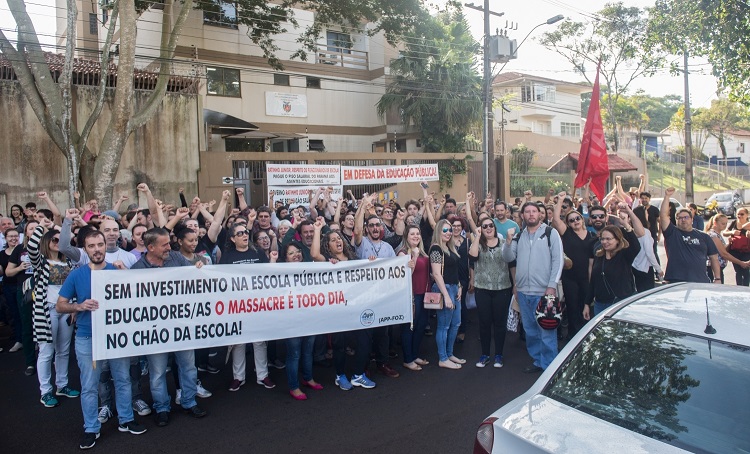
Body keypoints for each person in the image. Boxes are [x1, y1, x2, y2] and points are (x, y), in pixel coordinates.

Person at [55, 230, 146, 449]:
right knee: (89, 385)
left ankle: (126, 419)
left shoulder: (117, 271)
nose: (97, 249)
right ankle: (91, 428)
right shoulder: (77, 274)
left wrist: (126, 277)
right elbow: (60, 304)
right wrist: (78, 306)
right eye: (92, 246)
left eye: (100, 244)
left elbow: (138, 297)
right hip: (87, 336)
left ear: (106, 246)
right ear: (85, 249)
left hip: (115, 335)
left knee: (122, 379)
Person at [131, 228, 208, 426]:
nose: (169, 247)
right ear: (150, 247)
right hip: (155, 329)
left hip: (181, 325)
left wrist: (198, 266)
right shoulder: (138, 269)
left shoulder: (176, 258)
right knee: (157, 372)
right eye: (164, 244)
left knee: (188, 367)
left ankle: (189, 401)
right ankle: (162, 407)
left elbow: (193, 275)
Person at [502, 202, 564, 373]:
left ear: (540, 215)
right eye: (527, 212)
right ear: (522, 215)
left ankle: (549, 366)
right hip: (523, 292)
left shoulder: (551, 233)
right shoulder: (518, 235)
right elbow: (508, 258)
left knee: (547, 330)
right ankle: (538, 361)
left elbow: (558, 261)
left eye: (534, 212)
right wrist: (507, 241)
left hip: (544, 292)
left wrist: (551, 286)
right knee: (530, 331)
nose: (530, 214)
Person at [219, 221, 277, 392]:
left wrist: (272, 261)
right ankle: (238, 377)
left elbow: (268, 276)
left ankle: (263, 375)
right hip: (237, 306)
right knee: (238, 342)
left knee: (260, 341)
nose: (244, 235)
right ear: (232, 238)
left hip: (257, 305)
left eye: (245, 232)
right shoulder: (228, 257)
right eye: (239, 233)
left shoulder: (258, 253)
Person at [28, 221, 80, 408]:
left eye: (60, 239)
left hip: (65, 310)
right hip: (46, 309)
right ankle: (46, 391)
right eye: (55, 239)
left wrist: (74, 306)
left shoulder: (68, 262)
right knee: (46, 351)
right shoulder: (40, 262)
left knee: (64, 350)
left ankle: (62, 385)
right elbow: (32, 246)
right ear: (47, 241)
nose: (58, 242)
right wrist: (41, 226)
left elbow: (73, 286)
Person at [352, 198, 399, 378]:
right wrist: (363, 206)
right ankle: (363, 366)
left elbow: (397, 269)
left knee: (383, 333)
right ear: (367, 228)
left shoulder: (387, 247)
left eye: (377, 225)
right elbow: (356, 230)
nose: (374, 228)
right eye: (371, 225)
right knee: (365, 333)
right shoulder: (361, 242)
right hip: (364, 295)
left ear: (381, 228)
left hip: (383, 295)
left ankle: (383, 363)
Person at [468, 215, 513, 368]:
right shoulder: (478, 244)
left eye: (490, 226)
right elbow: (472, 257)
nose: (488, 228)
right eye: (484, 226)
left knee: (500, 323)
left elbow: (511, 262)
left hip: (502, 288)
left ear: (495, 228)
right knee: (484, 323)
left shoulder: (503, 243)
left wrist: (516, 285)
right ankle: (485, 354)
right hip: (483, 289)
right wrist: (477, 237)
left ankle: (499, 354)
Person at [550, 193, 596, 340]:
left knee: (586, 306)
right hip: (570, 278)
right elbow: (556, 219)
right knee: (572, 307)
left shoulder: (591, 236)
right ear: (568, 223)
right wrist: (561, 201)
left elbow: (592, 261)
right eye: (571, 220)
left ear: (582, 220)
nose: (575, 221)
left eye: (577, 218)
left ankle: (586, 336)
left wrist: (591, 280)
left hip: (586, 278)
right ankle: (573, 337)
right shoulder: (567, 233)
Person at [659, 188, 720, 283]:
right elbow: (663, 216)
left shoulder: (704, 236)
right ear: (676, 220)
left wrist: (717, 278)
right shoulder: (672, 233)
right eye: (680, 218)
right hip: (676, 282)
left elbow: (714, 258)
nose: (683, 220)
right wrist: (667, 197)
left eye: (686, 217)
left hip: (700, 281)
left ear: (692, 220)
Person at [583, 223, 641, 319]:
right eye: (602, 239)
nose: (604, 242)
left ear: (617, 240)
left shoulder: (624, 255)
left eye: (608, 239)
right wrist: (587, 303)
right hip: (599, 304)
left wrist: (627, 226)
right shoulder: (599, 256)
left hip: (619, 304)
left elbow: (636, 247)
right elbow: (593, 282)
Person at [5, 220, 40, 374]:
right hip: (25, 290)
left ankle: (49, 359)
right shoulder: (19, 249)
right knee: (27, 326)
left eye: (36, 228)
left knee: (47, 326)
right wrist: (19, 267)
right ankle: (30, 362)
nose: (33, 231)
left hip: (44, 290)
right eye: (30, 228)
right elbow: (8, 272)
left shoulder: (48, 246)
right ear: (26, 232)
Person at [429, 219, 464, 370]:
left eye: (450, 230)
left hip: (455, 288)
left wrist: (460, 286)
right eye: (445, 230)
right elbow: (437, 274)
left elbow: (454, 270)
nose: (448, 232)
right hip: (444, 290)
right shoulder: (436, 249)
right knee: (444, 326)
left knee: (456, 323)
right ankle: (443, 358)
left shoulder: (450, 247)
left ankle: (449, 354)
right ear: (438, 231)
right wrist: (447, 295)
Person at [396, 225, 430, 371]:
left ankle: (415, 354)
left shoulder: (422, 252)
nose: (415, 236)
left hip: (425, 293)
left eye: (418, 233)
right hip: (411, 295)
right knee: (409, 327)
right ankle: (408, 359)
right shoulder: (402, 253)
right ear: (406, 236)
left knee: (421, 325)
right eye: (412, 234)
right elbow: (405, 276)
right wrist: (414, 257)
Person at [705, 214, 750, 283]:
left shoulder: (717, 234)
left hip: (718, 267)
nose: (725, 225)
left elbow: (723, 249)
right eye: (723, 223)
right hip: (713, 268)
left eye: (726, 223)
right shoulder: (713, 235)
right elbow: (724, 253)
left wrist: (729, 243)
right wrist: (741, 263)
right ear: (715, 223)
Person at [0, 227, 23, 354]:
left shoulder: (23, 252)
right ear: (6, 238)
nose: (14, 238)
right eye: (10, 236)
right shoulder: (2, 254)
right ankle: (19, 339)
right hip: (9, 287)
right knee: (14, 314)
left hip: (22, 286)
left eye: (16, 236)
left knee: (26, 314)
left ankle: (30, 340)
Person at [725, 207, 750, 286]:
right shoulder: (734, 222)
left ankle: (745, 289)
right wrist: (732, 232)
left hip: (746, 252)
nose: (739, 216)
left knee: (745, 271)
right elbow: (725, 233)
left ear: (747, 215)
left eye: (742, 214)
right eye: (738, 214)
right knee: (738, 271)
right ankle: (738, 288)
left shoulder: (748, 224)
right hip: (734, 251)